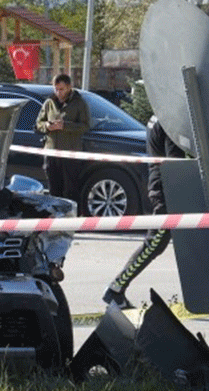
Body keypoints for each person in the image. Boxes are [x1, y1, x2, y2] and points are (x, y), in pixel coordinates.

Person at [103, 116, 186, 310]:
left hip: (165, 186)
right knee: (156, 242)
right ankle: (116, 287)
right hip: (167, 189)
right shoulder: (170, 121)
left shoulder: (159, 116)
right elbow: (174, 162)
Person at [34, 73, 90, 201]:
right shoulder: (49, 103)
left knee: (71, 190)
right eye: (56, 89)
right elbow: (38, 124)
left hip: (70, 153)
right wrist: (47, 126)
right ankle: (55, 217)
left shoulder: (79, 103)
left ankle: (71, 217)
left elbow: (85, 126)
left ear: (69, 87)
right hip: (51, 153)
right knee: (54, 190)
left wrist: (65, 126)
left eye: (62, 89)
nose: (58, 92)